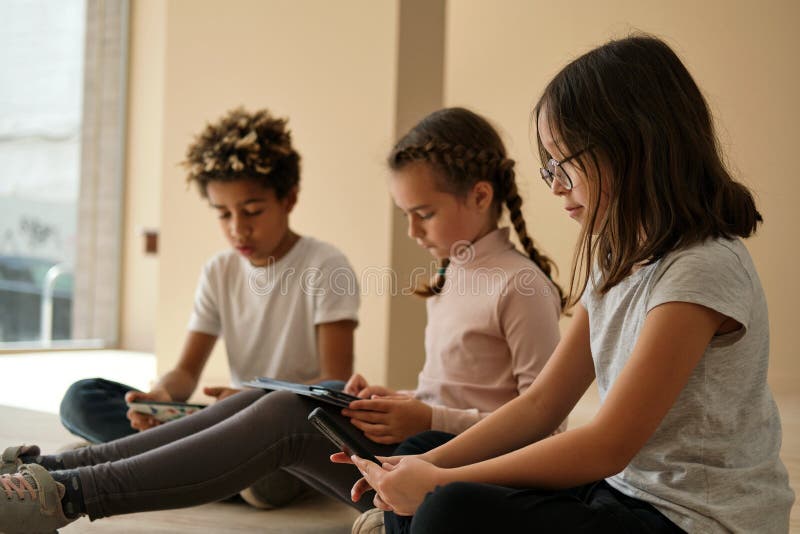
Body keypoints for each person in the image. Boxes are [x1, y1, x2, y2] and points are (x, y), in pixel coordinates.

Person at [0, 107, 564, 533]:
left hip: (446, 472)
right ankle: (49, 472)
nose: (413, 232)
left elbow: (543, 423)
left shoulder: (521, 285)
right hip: (417, 447)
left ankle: (68, 496)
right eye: (406, 216)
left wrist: (427, 413)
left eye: (424, 215)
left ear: (481, 195)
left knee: (284, 413)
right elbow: (456, 391)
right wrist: (395, 401)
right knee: (261, 401)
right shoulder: (454, 276)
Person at [342, 35, 795, 534]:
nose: (555, 185)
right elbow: (541, 405)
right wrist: (424, 468)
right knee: (419, 452)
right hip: (621, 491)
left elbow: (608, 444)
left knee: (449, 508)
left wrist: (442, 481)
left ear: (631, 146)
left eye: (563, 163)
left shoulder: (703, 266)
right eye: (548, 166)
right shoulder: (615, 258)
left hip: (691, 521)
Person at [59, 107, 361, 508]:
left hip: (289, 426)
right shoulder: (220, 270)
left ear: (289, 199)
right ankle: (218, 472)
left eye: (252, 211)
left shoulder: (326, 266)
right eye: (223, 214)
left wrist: (251, 400)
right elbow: (187, 372)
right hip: (225, 422)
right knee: (84, 397)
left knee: (274, 441)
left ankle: (210, 468)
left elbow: (333, 388)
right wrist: (162, 395)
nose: (238, 228)